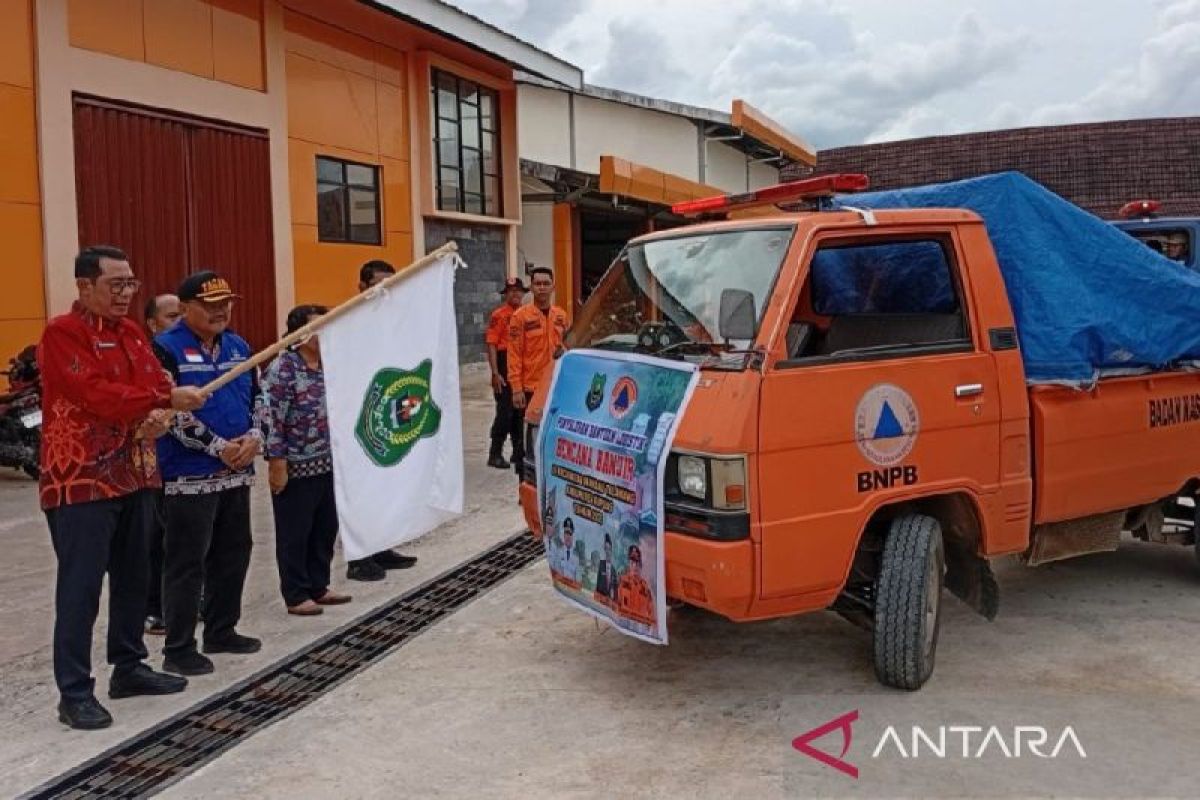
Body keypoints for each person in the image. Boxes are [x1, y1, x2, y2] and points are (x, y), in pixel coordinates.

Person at [39, 245, 205, 730]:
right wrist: (160, 398)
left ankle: (128, 667)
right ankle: (74, 692)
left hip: (135, 471)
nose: (125, 294)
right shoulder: (62, 334)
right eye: (116, 285)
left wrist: (160, 412)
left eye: (130, 284)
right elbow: (94, 394)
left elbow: (155, 381)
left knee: (136, 577)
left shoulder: (133, 333)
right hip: (81, 479)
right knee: (81, 587)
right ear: (84, 286)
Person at [155, 271, 264, 676]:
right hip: (189, 474)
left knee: (235, 551)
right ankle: (179, 646)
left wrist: (254, 436)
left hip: (237, 473)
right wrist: (220, 447)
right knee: (187, 561)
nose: (221, 311)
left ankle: (222, 629)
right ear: (185, 309)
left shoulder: (238, 345)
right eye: (210, 305)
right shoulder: (165, 350)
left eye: (226, 303)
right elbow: (169, 411)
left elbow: (258, 395)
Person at [263, 305, 352, 616]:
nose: (324, 332)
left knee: (324, 528)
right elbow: (272, 420)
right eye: (318, 326)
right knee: (295, 532)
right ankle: (296, 592)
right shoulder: (284, 367)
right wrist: (277, 461)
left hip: (328, 462)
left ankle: (319, 584)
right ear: (300, 332)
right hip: (296, 465)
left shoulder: (331, 364)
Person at [341, 259, 419, 582]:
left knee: (385, 487)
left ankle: (383, 547)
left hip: (387, 417)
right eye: (378, 283)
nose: (385, 289)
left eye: (392, 283)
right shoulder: (347, 321)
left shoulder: (394, 322)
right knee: (359, 491)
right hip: (357, 420)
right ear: (362, 287)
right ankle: (358, 558)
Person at [141, 294, 183, 636]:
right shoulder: (150, 357)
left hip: (189, 464)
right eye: (171, 317)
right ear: (153, 325)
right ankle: (153, 608)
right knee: (155, 541)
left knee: (184, 544)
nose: (179, 322)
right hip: (156, 465)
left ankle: (181, 603)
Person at [507, 267, 568, 476]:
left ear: (553, 286)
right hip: (529, 389)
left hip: (555, 387)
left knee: (552, 437)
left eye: (546, 283)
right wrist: (516, 389)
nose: (542, 288)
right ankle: (525, 485)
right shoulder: (520, 317)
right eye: (537, 284)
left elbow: (567, 346)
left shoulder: (561, 316)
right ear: (531, 288)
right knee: (524, 441)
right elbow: (513, 354)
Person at [485, 277, 527, 469]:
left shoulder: (527, 314)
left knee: (520, 412)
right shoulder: (499, 315)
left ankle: (518, 452)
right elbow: (492, 344)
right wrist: (495, 372)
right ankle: (495, 453)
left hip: (520, 365)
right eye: (511, 291)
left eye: (518, 290)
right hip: (503, 363)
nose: (515, 294)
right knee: (505, 412)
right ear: (506, 294)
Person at [616, 544, 655, 626]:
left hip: (640, 630)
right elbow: (616, 606)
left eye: (637, 563)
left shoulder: (645, 587)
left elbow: (651, 614)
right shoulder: (622, 582)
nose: (635, 566)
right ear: (629, 563)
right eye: (632, 562)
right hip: (624, 626)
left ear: (640, 565)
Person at [593, 533, 619, 605]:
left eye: (609, 549)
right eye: (606, 549)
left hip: (609, 603)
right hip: (600, 601)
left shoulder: (614, 571)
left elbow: (615, 591)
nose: (608, 552)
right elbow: (597, 584)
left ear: (612, 551)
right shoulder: (601, 565)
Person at [557, 517, 579, 583]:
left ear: (573, 536)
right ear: (563, 534)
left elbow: (577, 577)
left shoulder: (577, 555)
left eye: (570, 533)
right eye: (566, 533)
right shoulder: (559, 552)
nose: (568, 536)